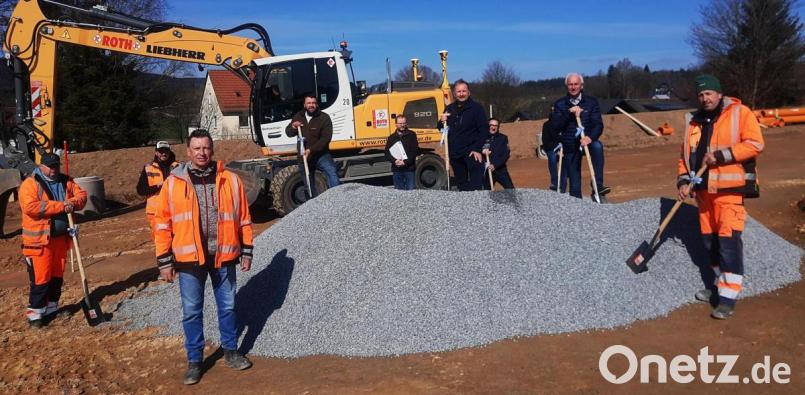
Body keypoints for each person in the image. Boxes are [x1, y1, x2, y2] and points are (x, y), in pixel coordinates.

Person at [154, 129, 254, 385]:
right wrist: (164, 260)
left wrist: (247, 249)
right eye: (196, 148)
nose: (202, 153)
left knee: (228, 306)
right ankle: (195, 361)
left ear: (212, 149)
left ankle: (231, 351)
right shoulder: (173, 182)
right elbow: (162, 223)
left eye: (206, 148)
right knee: (191, 311)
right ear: (188, 151)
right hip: (189, 259)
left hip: (224, 255)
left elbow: (243, 217)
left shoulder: (229, 179)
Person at [677, 75, 763, 320]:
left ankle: (728, 298)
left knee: (728, 243)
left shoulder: (739, 113)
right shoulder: (694, 122)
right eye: (702, 95)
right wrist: (683, 181)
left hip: (729, 191)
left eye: (709, 94)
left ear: (719, 93)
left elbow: (755, 143)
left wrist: (722, 155)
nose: (705, 98)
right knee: (710, 243)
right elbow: (684, 156)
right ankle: (718, 285)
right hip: (703, 193)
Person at [19, 152, 87, 328]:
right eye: (50, 167)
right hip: (39, 242)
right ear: (41, 167)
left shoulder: (66, 180)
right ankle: (36, 315)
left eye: (56, 166)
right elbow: (32, 207)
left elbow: (82, 196)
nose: (53, 170)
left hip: (60, 239)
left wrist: (72, 202)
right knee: (41, 279)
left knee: (56, 277)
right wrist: (62, 206)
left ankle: (52, 308)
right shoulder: (30, 184)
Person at [550, 73, 610, 199]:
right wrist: (568, 114)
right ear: (567, 86)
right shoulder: (560, 104)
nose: (573, 87)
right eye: (570, 84)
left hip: (587, 141)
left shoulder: (591, 102)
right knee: (575, 185)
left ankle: (598, 184)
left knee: (597, 146)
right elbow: (556, 126)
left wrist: (590, 138)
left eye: (576, 84)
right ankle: (577, 207)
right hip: (570, 144)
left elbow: (598, 124)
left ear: (581, 86)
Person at [285, 94, 340, 197]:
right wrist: (293, 126)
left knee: (332, 172)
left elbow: (326, 138)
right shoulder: (298, 116)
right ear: (304, 105)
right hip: (304, 157)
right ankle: (312, 204)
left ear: (317, 104)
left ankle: (337, 197)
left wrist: (311, 150)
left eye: (313, 103)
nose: (311, 105)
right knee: (308, 183)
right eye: (309, 103)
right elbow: (288, 133)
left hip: (321, 155)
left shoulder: (324, 118)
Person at [439, 79, 488, 191]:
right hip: (455, 154)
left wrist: (477, 149)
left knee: (476, 186)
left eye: (464, 91)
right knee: (462, 186)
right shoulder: (450, 108)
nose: (461, 94)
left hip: (472, 152)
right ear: (455, 94)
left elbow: (484, 131)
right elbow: (441, 128)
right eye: (459, 92)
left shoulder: (477, 108)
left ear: (468, 92)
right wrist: (442, 120)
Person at [136, 141, 178, 235]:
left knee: (176, 239)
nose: (164, 153)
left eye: (166, 150)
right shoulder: (148, 168)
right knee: (161, 241)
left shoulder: (178, 167)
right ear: (156, 152)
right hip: (155, 212)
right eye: (161, 151)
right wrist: (157, 186)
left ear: (169, 152)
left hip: (175, 210)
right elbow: (140, 190)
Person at [384, 115, 419, 190]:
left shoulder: (412, 135)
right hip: (397, 170)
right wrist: (395, 161)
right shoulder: (391, 137)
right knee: (399, 194)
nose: (402, 125)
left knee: (411, 192)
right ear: (396, 124)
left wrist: (405, 162)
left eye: (404, 123)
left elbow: (414, 151)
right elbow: (387, 153)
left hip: (409, 169)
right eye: (400, 123)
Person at [482, 118, 514, 190]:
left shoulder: (503, 138)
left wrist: (495, 165)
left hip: (500, 170)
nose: (493, 127)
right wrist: (482, 152)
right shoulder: (483, 138)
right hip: (487, 171)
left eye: (496, 126)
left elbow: (506, 154)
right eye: (491, 125)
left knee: (511, 190)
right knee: (486, 193)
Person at [540, 111, 566, 192]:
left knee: (565, 162)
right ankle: (554, 183)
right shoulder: (547, 125)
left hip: (564, 146)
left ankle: (563, 185)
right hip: (551, 147)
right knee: (552, 158)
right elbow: (546, 140)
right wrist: (555, 148)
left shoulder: (564, 124)